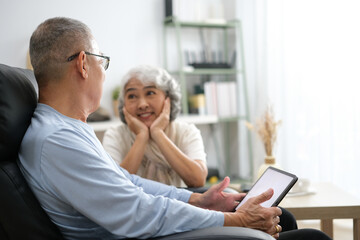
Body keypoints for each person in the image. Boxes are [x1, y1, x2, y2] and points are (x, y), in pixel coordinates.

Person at [18, 17, 331, 240]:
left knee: (282, 218)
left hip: (146, 225)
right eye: (103, 60)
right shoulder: (57, 140)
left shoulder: (66, 128)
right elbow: (137, 211)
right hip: (143, 233)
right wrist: (233, 219)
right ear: (84, 64)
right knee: (310, 238)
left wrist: (197, 200)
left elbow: (125, 181)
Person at [102, 65, 207, 188]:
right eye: (132, 96)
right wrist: (141, 137)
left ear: (168, 98)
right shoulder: (115, 135)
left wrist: (158, 133)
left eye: (150, 93)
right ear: (123, 104)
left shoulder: (186, 132)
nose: (142, 104)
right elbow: (112, 186)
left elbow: (198, 180)